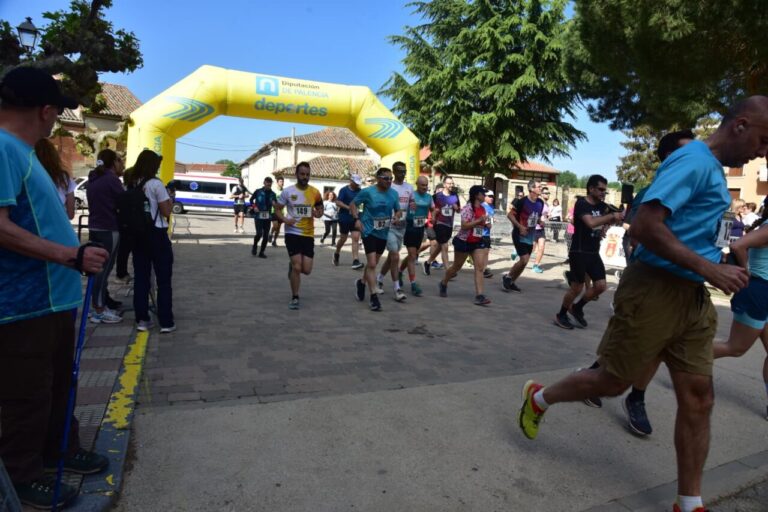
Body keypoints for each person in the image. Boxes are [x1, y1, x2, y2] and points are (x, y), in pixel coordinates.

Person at [518, 96, 768, 512]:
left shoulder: (711, 170)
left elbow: (685, 230)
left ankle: (689, 503)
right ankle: (539, 398)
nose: (763, 151)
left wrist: (716, 266)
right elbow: (646, 225)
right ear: (740, 125)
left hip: (692, 296)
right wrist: (710, 269)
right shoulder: (694, 161)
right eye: (763, 139)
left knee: (698, 395)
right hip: (653, 289)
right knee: (613, 382)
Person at [0, 65, 110, 509]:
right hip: (25, 304)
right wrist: (70, 255)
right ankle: (23, 479)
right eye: (57, 112)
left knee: (57, 384)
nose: (57, 121)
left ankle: (57, 451)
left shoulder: (22, 151)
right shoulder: (5, 149)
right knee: (26, 394)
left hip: (51, 301)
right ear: (45, 110)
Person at [580, 129, 696, 434]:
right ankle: (593, 379)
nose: (694, 158)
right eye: (686, 151)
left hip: (685, 283)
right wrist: (634, 247)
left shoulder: (699, 188)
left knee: (661, 341)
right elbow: (635, 227)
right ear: (669, 157)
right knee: (631, 331)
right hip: (649, 275)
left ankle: (634, 395)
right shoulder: (654, 189)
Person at [714, 199, 768, 419]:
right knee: (735, 348)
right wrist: (745, 272)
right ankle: (683, 359)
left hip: (764, 291)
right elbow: (737, 245)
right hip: (757, 291)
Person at [554, 175, 623, 330]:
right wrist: (611, 216)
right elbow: (591, 222)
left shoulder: (602, 206)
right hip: (579, 251)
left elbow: (605, 221)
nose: (603, 193)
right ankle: (562, 314)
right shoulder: (582, 204)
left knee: (601, 286)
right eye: (600, 189)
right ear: (591, 188)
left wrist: (607, 226)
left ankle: (577, 308)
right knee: (577, 287)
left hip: (593, 252)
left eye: (605, 190)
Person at [130, 149, 176, 333]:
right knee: (163, 279)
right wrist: (170, 198)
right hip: (156, 234)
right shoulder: (156, 184)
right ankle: (166, 321)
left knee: (141, 278)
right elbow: (166, 211)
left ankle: (142, 319)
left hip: (137, 235)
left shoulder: (132, 182)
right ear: (153, 165)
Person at [351, 167, 402, 311]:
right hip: (368, 230)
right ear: (378, 178)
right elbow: (353, 204)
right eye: (386, 178)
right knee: (372, 264)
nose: (389, 181)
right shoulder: (368, 192)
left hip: (383, 233)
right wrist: (357, 219)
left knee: (373, 264)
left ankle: (361, 282)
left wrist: (397, 216)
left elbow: (397, 210)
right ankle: (374, 297)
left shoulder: (393, 194)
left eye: (391, 179)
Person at [274, 162, 323, 310]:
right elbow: (277, 209)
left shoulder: (315, 192)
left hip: (308, 235)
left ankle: (293, 267)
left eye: (307, 174)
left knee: (306, 270)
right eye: (302, 174)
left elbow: (320, 210)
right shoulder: (288, 192)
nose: (305, 177)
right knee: (297, 266)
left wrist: (317, 213)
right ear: (296, 174)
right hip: (292, 233)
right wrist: (284, 219)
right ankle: (295, 297)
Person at [86, 148, 126, 324]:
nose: (121, 163)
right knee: (104, 269)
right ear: (113, 162)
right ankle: (99, 310)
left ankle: (95, 306)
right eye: (119, 160)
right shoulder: (112, 180)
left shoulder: (93, 179)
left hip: (95, 227)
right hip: (109, 228)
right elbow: (123, 202)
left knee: (96, 269)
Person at [438, 185, 491, 305]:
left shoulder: (483, 209)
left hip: (477, 241)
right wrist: (478, 221)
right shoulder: (468, 208)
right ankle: (444, 282)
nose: (485, 196)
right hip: (464, 241)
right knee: (456, 267)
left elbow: (485, 222)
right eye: (483, 194)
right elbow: (464, 226)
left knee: (479, 267)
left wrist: (487, 224)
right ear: (477, 195)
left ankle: (480, 295)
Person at [377, 162, 413, 302]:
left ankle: (379, 279)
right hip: (389, 226)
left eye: (404, 171)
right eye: (399, 171)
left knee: (392, 257)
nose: (402, 173)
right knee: (395, 256)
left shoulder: (409, 187)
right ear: (393, 172)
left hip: (402, 227)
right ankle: (397, 289)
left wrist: (413, 211)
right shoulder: (388, 186)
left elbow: (412, 205)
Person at [502, 180, 546, 293]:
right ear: (532, 189)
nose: (541, 188)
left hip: (530, 236)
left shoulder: (540, 203)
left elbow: (537, 217)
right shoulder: (522, 202)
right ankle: (508, 277)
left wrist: (540, 222)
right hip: (519, 234)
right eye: (539, 187)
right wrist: (519, 226)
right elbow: (510, 215)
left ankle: (511, 282)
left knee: (525, 262)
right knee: (524, 259)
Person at [400, 175, 434, 296]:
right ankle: (413, 283)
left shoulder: (429, 197)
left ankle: (399, 271)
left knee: (412, 255)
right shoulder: (411, 195)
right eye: (422, 185)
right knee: (413, 255)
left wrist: (433, 217)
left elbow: (433, 208)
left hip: (420, 228)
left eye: (426, 185)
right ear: (417, 184)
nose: (425, 187)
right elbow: (401, 207)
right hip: (409, 227)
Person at [423, 177, 459, 274]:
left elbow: (458, 210)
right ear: (444, 184)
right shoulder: (437, 196)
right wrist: (433, 216)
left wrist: (457, 208)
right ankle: (448, 270)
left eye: (452, 183)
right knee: (445, 245)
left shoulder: (455, 196)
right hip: (439, 223)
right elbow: (431, 208)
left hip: (449, 224)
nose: (451, 185)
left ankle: (428, 262)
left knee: (440, 246)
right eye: (449, 183)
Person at [34, 138, 76, 220]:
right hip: (59, 227)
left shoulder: (27, 177)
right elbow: (70, 214)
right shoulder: (64, 179)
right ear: (54, 156)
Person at [333, 174, 364, 269]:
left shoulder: (360, 191)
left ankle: (355, 260)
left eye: (358, 183)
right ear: (351, 181)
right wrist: (349, 208)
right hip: (344, 217)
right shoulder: (344, 190)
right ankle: (337, 252)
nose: (357, 185)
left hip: (356, 218)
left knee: (355, 238)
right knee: (343, 238)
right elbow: (337, 202)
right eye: (355, 183)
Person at [250, 177, 277, 258]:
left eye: (270, 182)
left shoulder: (273, 194)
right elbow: (251, 200)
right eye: (267, 182)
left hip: (267, 216)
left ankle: (261, 252)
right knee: (259, 234)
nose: (269, 184)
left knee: (265, 235)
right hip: (258, 215)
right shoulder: (258, 191)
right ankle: (255, 245)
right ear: (264, 183)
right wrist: (254, 206)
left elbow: (275, 204)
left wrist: (274, 204)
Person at [531, 186, 552, 273]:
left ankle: (536, 265)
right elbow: (534, 213)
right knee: (531, 248)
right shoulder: (538, 202)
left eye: (548, 193)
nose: (548, 195)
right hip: (534, 228)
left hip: (541, 229)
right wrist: (539, 221)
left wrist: (547, 217)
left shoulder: (547, 204)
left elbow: (545, 215)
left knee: (541, 247)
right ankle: (517, 252)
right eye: (546, 193)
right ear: (542, 194)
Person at [481, 190, 495, 278]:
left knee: (486, 251)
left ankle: (484, 269)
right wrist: (486, 223)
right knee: (481, 252)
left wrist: (493, 220)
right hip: (480, 233)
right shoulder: (481, 206)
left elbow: (490, 217)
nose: (491, 198)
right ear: (484, 196)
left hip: (487, 233)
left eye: (492, 196)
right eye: (489, 196)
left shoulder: (492, 206)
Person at [269, 176, 285, 246]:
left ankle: (274, 241)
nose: (282, 183)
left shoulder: (284, 191)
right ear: (277, 182)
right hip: (274, 211)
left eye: (282, 181)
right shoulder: (274, 191)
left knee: (278, 229)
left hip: (281, 212)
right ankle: (271, 234)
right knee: (275, 225)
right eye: (280, 181)